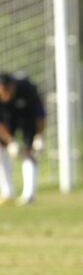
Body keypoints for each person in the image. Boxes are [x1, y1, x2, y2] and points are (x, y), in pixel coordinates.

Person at [0, 72, 46, 206]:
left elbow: (40, 115)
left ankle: (29, 195)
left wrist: (39, 137)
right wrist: (10, 141)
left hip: (27, 117)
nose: (5, 95)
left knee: (30, 151)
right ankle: (7, 192)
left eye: (7, 90)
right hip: (7, 119)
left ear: (13, 86)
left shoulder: (28, 90)